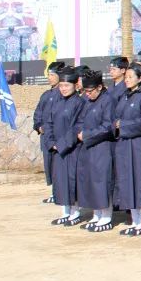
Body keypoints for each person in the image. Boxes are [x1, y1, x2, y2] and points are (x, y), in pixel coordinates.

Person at [113, 63, 141, 235]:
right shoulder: (124, 96)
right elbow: (115, 117)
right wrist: (116, 125)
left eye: (131, 77)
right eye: (126, 77)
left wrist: (124, 125)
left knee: (139, 181)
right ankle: (135, 219)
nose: (127, 80)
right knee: (127, 181)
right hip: (124, 144)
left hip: (138, 145)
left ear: (140, 78)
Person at [77, 69, 116, 232]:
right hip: (88, 146)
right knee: (90, 180)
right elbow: (79, 119)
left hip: (102, 146)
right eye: (85, 91)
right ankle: (96, 214)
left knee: (102, 181)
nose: (87, 94)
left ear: (99, 87)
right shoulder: (87, 101)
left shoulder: (108, 100)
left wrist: (87, 134)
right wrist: (80, 132)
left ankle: (106, 216)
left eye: (90, 91)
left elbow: (108, 126)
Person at [49, 68, 86, 226]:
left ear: (75, 85)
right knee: (60, 180)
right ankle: (65, 211)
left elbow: (79, 126)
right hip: (57, 148)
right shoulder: (57, 102)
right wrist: (51, 142)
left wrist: (63, 144)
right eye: (61, 85)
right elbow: (48, 122)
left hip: (72, 148)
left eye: (66, 85)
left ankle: (75, 212)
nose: (63, 88)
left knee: (72, 180)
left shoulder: (80, 103)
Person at [33, 61, 65, 204]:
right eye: (49, 74)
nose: (49, 77)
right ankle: (53, 191)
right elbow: (38, 112)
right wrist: (38, 125)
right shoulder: (46, 95)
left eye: (52, 75)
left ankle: (59, 192)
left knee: (58, 165)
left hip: (58, 136)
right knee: (49, 165)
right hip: (46, 137)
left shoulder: (63, 93)